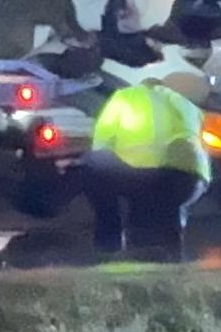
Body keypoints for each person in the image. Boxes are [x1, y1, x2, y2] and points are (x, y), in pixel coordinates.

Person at [78, 79, 211, 254]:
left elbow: (100, 144)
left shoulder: (125, 96)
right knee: (165, 208)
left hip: (149, 177)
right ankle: (170, 245)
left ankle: (109, 242)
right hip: (193, 181)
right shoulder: (186, 103)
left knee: (92, 163)